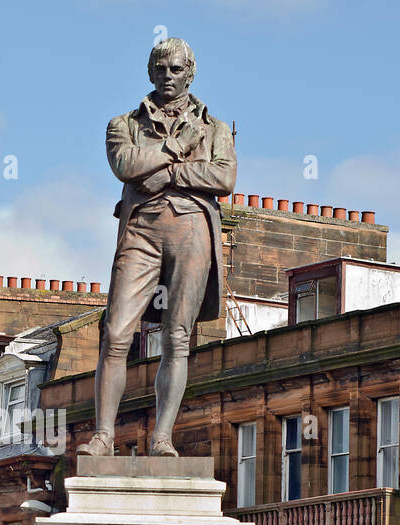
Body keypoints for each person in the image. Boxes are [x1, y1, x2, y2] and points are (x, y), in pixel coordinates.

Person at [79, 37, 236, 458]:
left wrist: (164, 174)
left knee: (177, 337)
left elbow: (223, 179)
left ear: (191, 71)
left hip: (191, 229)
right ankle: (104, 436)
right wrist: (173, 150)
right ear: (150, 72)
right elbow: (126, 166)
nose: (168, 76)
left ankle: (163, 437)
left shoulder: (215, 128)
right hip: (141, 232)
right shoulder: (123, 124)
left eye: (177, 69)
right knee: (115, 333)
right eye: (161, 69)